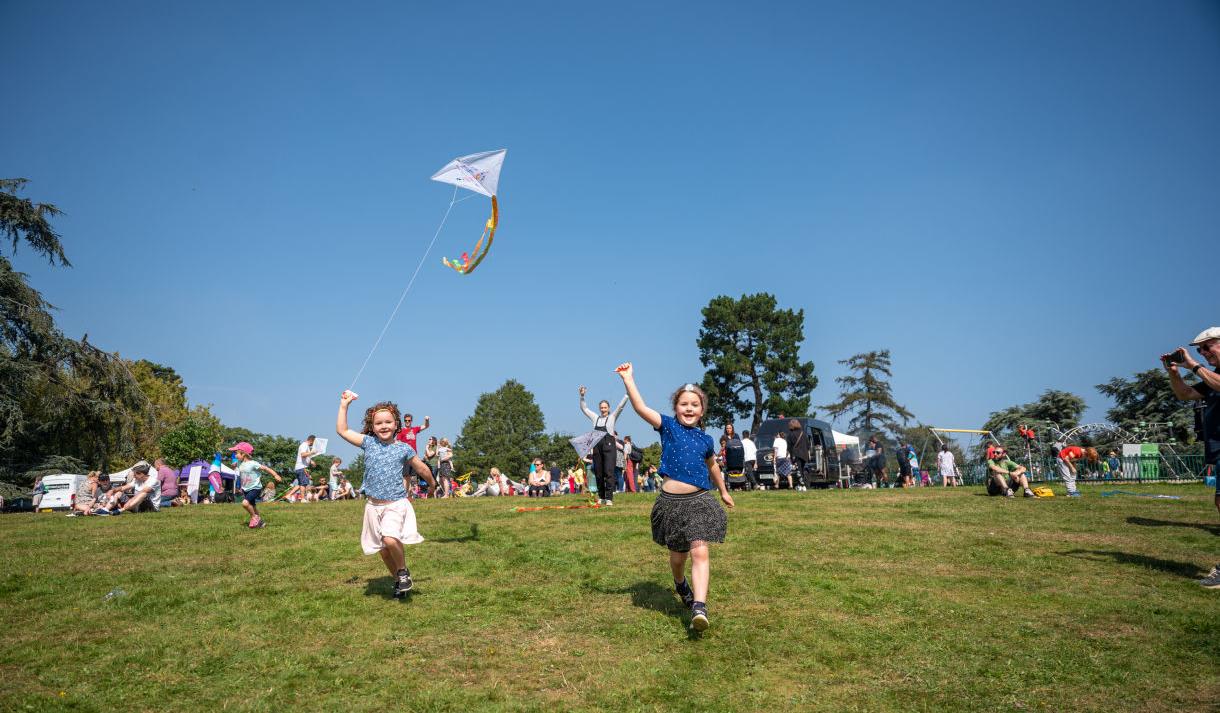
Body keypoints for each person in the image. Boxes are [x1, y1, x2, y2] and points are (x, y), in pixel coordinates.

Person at [617, 363, 734, 632]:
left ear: (702, 410)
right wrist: (628, 379)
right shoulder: (668, 427)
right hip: (670, 505)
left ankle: (699, 607)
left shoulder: (706, 440)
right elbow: (641, 409)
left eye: (695, 404)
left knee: (700, 550)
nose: (689, 408)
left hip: (700, 501)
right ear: (676, 408)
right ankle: (680, 583)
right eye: (684, 404)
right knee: (678, 557)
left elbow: (713, 466)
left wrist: (724, 491)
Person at [337, 392, 437, 598]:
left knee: (390, 539)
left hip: (395, 504)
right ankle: (399, 582)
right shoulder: (368, 443)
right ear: (372, 427)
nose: (383, 426)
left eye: (388, 422)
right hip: (373, 506)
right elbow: (343, 430)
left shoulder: (404, 448)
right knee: (383, 550)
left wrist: (433, 485)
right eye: (379, 423)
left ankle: (403, 571)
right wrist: (344, 405)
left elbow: (422, 468)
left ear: (396, 424)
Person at [1162, 327, 1220, 588]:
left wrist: (1193, 364)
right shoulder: (1213, 375)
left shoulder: (1212, 376)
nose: (1204, 353)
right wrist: (1174, 373)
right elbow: (1184, 394)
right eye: (1200, 350)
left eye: (1208, 347)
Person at [579, 385, 628, 506]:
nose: (603, 409)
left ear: (609, 408)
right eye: (601, 407)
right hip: (597, 446)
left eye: (605, 407)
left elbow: (620, 407)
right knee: (599, 472)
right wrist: (582, 396)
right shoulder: (595, 418)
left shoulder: (612, 417)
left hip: (609, 446)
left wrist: (627, 394)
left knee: (609, 472)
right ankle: (601, 497)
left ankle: (609, 498)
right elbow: (584, 409)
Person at [229, 442, 282, 528]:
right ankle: (260, 523)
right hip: (246, 488)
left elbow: (266, 468)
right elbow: (236, 467)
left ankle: (254, 517)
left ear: (244, 454)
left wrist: (275, 475)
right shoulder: (239, 462)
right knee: (252, 506)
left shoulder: (253, 463)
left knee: (245, 503)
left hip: (255, 488)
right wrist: (234, 466)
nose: (235, 455)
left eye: (237, 453)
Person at [285, 435, 319, 503]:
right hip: (302, 467)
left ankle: (289, 495)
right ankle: (303, 499)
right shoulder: (304, 445)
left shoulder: (306, 446)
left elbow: (305, 457)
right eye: (314, 443)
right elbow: (303, 455)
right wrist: (312, 452)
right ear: (312, 440)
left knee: (300, 484)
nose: (314, 445)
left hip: (300, 467)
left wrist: (311, 461)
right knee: (304, 484)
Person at [787, 420, 809, 491]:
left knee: (798, 471)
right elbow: (808, 445)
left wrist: (791, 456)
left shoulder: (791, 435)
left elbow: (789, 447)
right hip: (804, 455)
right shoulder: (803, 433)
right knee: (801, 470)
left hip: (796, 454)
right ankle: (801, 485)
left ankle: (802, 485)